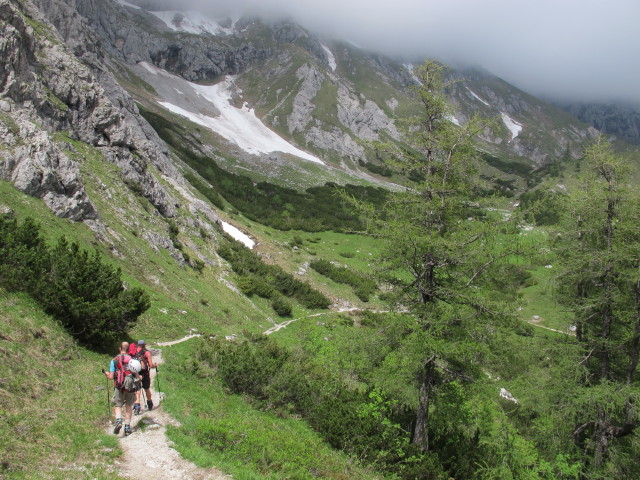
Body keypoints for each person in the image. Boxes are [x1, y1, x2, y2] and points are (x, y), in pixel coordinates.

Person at [103, 341, 138, 436]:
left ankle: (118, 420)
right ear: (128, 349)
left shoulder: (114, 360)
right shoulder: (132, 359)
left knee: (118, 405)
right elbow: (137, 374)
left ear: (120, 348)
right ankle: (127, 427)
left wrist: (106, 374)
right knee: (128, 406)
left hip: (119, 386)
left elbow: (111, 377)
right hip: (130, 387)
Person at [133, 340, 156, 414]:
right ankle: (149, 403)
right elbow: (151, 365)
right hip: (145, 374)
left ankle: (137, 407)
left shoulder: (134, 353)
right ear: (144, 345)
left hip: (136, 374)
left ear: (138, 345)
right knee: (147, 389)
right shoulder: (147, 353)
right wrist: (155, 365)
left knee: (137, 390)